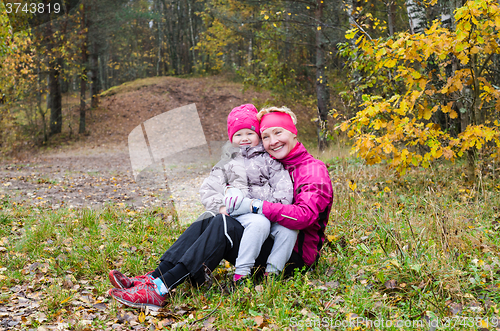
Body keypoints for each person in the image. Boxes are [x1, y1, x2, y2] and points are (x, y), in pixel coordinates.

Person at [108, 106, 334, 310]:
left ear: (293, 132)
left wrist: (253, 206)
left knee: (222, 224)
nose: (273, 141)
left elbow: (304, 217)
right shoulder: (276, 161)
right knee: (210, 216)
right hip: (264, 238)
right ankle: (154, 277)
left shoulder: (313, 171)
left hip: (290, 258)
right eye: (266, 136)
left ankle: (160, 289)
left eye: (278, 133)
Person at [199, 104, 297, 282]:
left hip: (267, 210)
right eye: (238, 134)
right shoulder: (227, 163)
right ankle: (242, 273)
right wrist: (222, 207)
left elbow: (284, 190)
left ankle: (273, 272)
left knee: (289, 229)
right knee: (259, 223)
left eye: (250, 133)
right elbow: (208, 189)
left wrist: (263, 204)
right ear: (231, 138)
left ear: (258, 136)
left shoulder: (270, 161)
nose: (244, 138)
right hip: (240, 214)